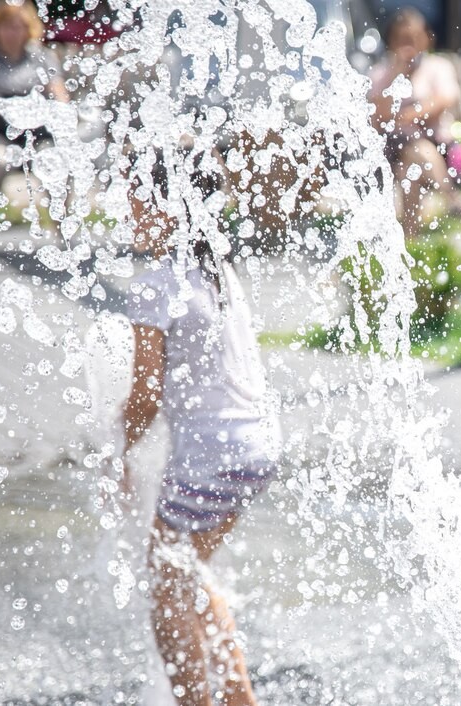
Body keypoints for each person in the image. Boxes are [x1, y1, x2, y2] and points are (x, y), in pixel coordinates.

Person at [121, 151, 281, 706]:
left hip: (209, 458)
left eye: (137, 194)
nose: (128, 206)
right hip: (255, 448)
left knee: (165, 590)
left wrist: (118, 452)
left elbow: (144, 395)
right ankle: (238, 697)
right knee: (188, 575)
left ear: (170, 207)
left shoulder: (156, 284)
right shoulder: (218, 270)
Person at [0, 2, 69, 227]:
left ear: (28, 29)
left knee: (55, 164)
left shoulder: (42, 58)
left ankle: (64, 233)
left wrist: (41, 109)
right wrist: (6, 106)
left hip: (38, 132)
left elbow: (61, 100)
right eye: (7, 27)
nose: (13, 33)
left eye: (18, 27)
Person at [368, 7, 461, 238]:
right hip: (390, 149)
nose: (407, 46)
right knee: (408, 154)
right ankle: (450, 195)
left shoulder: (437, 67)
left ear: (427, 39)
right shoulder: (382, 73)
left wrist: (404, 116)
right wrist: (397, 72)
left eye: (413, 39)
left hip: (434, 146)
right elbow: (376, 114)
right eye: (401, 39)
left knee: (409, 168)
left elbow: (443, 101)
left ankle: (410, 239)